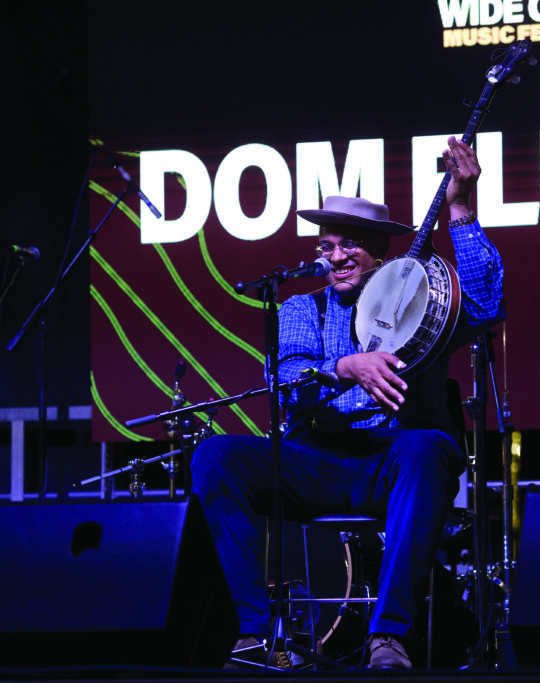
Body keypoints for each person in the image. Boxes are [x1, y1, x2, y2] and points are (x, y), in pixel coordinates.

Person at [191, 136, 504, 669]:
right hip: (317, 457)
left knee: (429, 448)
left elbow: (485, 305)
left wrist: (459, 207)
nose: (335, 257)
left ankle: (389, 638)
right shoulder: (301, 307)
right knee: (215, 456)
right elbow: (287, 380)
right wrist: (345, 367)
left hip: (394, 457)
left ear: (378, 251)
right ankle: (259, 635)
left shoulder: (424, 302)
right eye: (327, 246)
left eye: (349, 246)